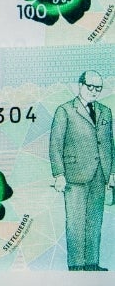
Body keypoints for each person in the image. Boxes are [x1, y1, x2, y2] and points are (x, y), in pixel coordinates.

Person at [49, 69, 114, 271]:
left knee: (94, 221)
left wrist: (112, 173)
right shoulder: (65, 110)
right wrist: (59, 174)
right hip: (74, 176)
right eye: (90, 87)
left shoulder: (105, 111)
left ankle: (92, 263)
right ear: (80, 86)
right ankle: (76, 266)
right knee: (76, 223)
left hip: (100, 174)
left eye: (98, 88)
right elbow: (55, 144)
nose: (94, 91)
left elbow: (109, 144)